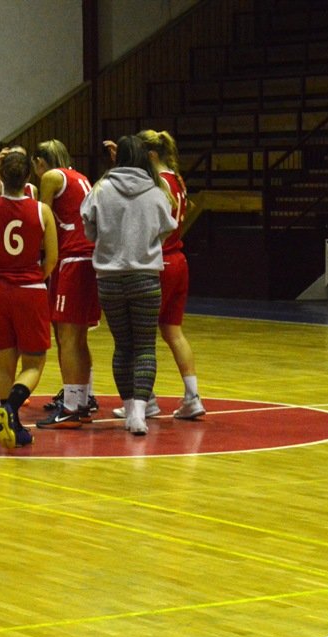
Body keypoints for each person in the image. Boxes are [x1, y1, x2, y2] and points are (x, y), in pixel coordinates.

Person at [107, 130, 207, 420]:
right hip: (179, 259)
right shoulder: (176, 178)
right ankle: (192, 395)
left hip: (159, 261)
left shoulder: (157, 183)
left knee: (141, 337)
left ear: (149, 155)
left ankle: (145, 399)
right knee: (173, 332)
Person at [80, 136, 176, 435]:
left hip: (109, 279)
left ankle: (127, 404)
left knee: (123, 346)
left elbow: (89, 230)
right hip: (146, 277)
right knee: (145, 346)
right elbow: (167, 230)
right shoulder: (157, 191)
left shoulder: (101, 189)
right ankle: (138, 415)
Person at [0, 150, 58, 449]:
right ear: (28, 179)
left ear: (2, 177)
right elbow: (52, 259)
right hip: (30, 289)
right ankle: (10, 411)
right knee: (34, 363)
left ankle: (13, 424)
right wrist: (35, 276)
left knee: (5, 365)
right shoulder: (41, 211)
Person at [31, 140, 99, 429]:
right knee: (76, 336)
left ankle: (71, 406)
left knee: (68, 337)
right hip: (87, 257)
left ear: (40, 162)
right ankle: (82, 398)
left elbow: (40, 219)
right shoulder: (80, 176)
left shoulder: (51, 177)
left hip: (72, 258)